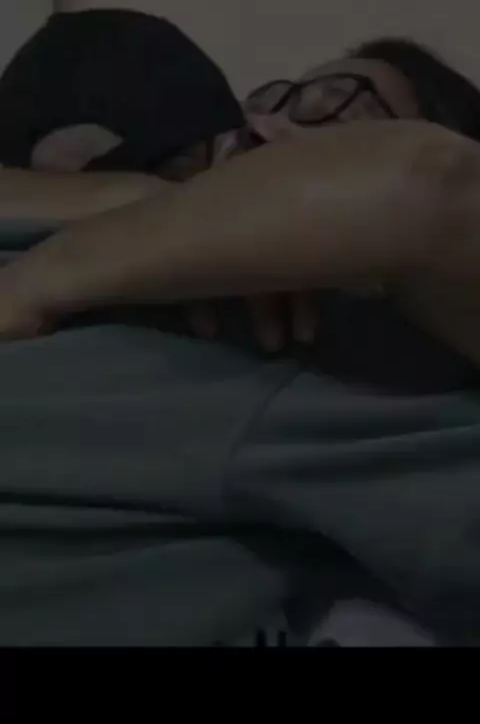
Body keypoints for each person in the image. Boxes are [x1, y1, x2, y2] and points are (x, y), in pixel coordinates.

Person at [1, 32, 480, 644]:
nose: (260, 123)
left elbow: (429, 186)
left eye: (341, 112)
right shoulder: (83, 244)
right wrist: (118, 207)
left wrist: (53, 274)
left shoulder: (289, 351)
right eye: (269, 97)